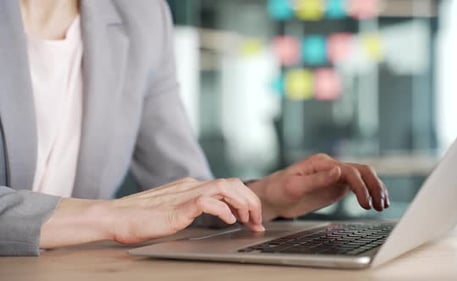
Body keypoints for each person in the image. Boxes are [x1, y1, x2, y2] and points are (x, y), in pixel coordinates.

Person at [0, 0, 390, 256]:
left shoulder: (142, 16)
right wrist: (112, 217)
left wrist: (267, 197)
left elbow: (180, 187)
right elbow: (134, 214)